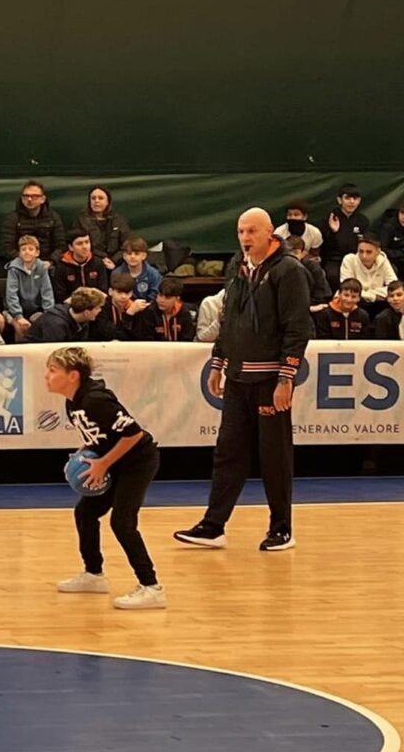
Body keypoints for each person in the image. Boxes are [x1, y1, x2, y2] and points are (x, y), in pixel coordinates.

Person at [174, 208, 312, 553]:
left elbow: (297, 328)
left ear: (270, 232)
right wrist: (218, 362)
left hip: (269, 379)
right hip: (237, 378)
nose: (245, 238)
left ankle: (282, 528)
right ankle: (213, 526)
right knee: (228, 453)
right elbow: (229, 320)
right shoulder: (239, 266)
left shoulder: (289, 270)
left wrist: (286, 378)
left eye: (252, 231)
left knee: (274, 456)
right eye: (240, 231)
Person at [47, 347, 165, 610]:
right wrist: (82, 455)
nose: (47, 376)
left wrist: (102, 464)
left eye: (52, 370)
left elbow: (133, 434)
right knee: (85, 513)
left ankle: (151, 587)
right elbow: (99, 436)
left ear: (73, 375)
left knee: (122, 522)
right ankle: (94, 575)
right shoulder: (73, 401)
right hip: (117, 461)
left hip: (138, 461)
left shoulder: (95, 400)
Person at [1, 180, 66, 263]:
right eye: (26, 196)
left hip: (47, 263)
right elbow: (7, 247)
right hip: (20, 263)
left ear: (43, 199)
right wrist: (26, 261)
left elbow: (60, 246)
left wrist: (51, 262)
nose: (29, 199)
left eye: (34, 196)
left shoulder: (53, 217)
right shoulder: (12, 218)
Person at [319, 184, 369, 288]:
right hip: (334, 260)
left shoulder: (363, 220)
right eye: (347, 198)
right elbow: (324, 246)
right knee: (332, 276)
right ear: (339, 200)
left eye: (355, 198)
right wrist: (333, 232)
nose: (351, 202)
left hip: (356, 259)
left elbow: (365, 243)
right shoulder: (330, 218)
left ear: (359, 201)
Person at [3, 234, 53, 336]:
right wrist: (19, 316)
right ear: (19, 253)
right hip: (14, 311)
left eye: (31, 249)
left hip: (35, 310)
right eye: (23, 249)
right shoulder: (13, 269)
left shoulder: (42, 268)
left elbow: (47, 292)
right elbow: (11, 294)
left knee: (46, 324)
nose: (27, 252)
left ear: (37, 252)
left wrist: (48, 313)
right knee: (21, 328)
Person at [339, 235, 397, 316]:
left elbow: (394, 287)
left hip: (378, 303)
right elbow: (347, 289)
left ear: (378, 252)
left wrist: (366, 293)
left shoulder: (383, 261)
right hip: (356, 302)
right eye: (361, 251)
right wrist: (373, 296)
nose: (364, 256)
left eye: (369, 252)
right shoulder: (349, 260)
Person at [76, 186, 132, 269]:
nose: (96, 201)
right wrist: (101, 260)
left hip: (117, 263)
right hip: (91, 263)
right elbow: (79, 245)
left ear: (107, 202)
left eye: (100, 198)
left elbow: (127, 244)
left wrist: (114, 261)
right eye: (93, 198)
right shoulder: (81, 221)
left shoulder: (119, 220)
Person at [23, 287, 105, 343]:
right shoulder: (55, 325)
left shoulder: (83, 320)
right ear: (86, 312)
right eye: (97, 308)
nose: (100, 310)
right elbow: (53, 352)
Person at [51, 229, 109, 305]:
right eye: (79, 244)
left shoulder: (98, 263)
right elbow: (61, 296)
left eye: (87, 242)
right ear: (71, 247)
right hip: (72, 305)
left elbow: (103, 290)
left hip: (95, 304)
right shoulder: (62, 266)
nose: (85, 247)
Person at [288, 236, 331, 319]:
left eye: (295, 253)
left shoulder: (313, 268)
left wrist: (306, 307)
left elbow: (322, 294)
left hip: (311, 307)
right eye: (289, 253)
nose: (292, 257)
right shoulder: (279, 269)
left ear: (303, 253)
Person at [94, 276, 149, 341]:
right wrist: (129, 314)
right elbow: (109, 334)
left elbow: (138, 335)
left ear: (131, 293)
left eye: (127, 293)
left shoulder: (137, 306)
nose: (123, 296)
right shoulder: (101, 307)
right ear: (110, 291)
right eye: (119, 292)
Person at [141, 278, 196, 342]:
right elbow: (146, 340)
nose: (162, 300)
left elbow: (188, 338)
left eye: (167, 297)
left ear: (177, 299)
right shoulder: (149, 312)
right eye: (160, 295)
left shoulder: (185, 312)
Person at [112, 236, 162, 302]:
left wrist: (143, 305)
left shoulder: (153, 274)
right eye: (129, 254)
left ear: (144, 256)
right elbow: (116, 295)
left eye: (137, 254)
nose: (132, 257)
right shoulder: (117, 273)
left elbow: (155, 295)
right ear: (124, 256)